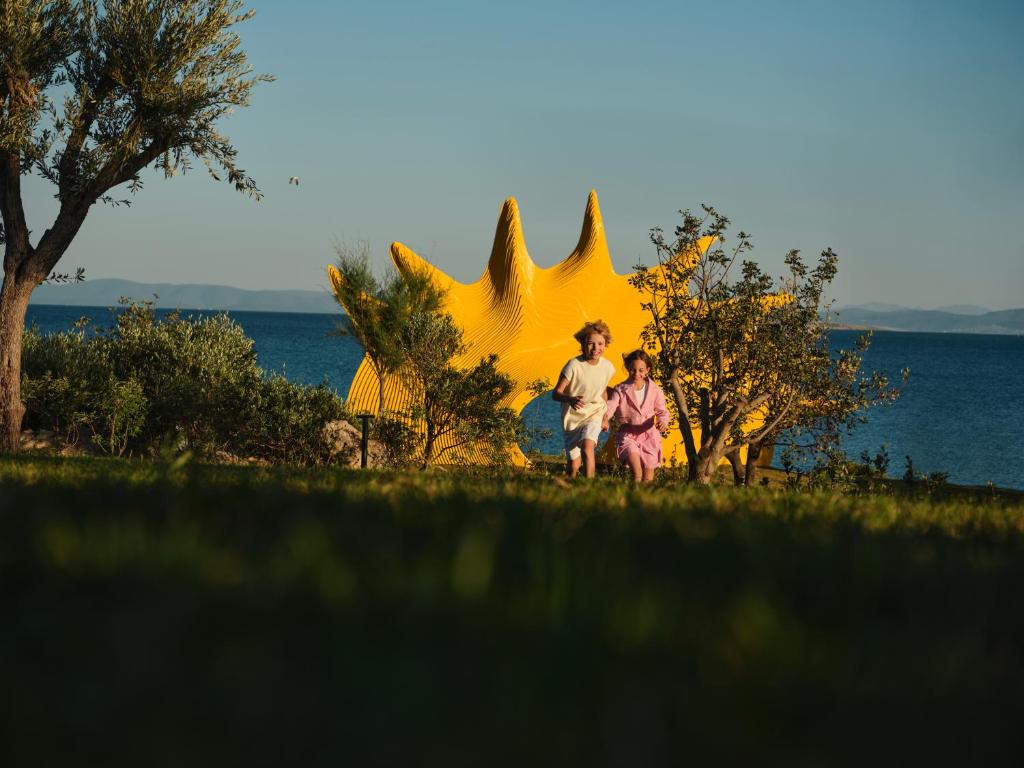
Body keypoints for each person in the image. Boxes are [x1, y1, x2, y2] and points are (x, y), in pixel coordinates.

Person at [552, 320, 615, 479]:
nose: (595, 348)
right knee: (574, 465)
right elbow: (556, 393)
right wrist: (570, 399)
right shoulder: (573, 365)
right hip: (572, 418)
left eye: (600, 344)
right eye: (590, 344)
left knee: (588, 447)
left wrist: (605, 417)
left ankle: (589, 486)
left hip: (594, 413)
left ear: (606, 344)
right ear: (582, 344)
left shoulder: (607, 367)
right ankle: (569, 486)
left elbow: (602, 392)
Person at [606, 349, 670, 483]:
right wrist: (605, 418)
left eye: (641, 370)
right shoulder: (620, 389)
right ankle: (634, 493)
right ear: (628, 369)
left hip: (649, 436)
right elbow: (611, 405)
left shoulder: (655, 390)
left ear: (647, 370)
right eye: (632, 370)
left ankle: (642, 496)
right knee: (637, 472)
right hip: (628, 435)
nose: (636, 374)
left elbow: (662, 411)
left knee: (648, 478)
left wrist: (663, 422)